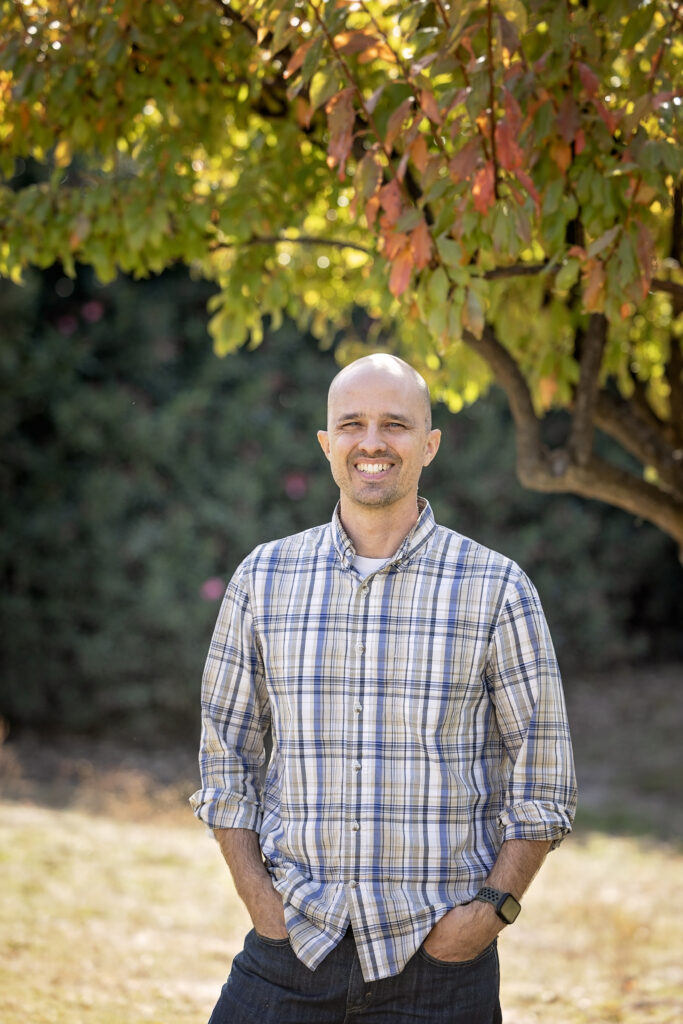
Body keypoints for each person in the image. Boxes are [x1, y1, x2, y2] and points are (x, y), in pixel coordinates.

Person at [190, 353, 577, 1024]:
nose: (372, 442)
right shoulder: (263, 579)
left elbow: (543, 780)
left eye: (394, 424)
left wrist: (487, 914)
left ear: (428, 444)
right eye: (352, 424)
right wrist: (260, 901)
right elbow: (226, 757)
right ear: (327, 444)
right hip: (291, 951)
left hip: (438, 966)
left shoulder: (495, 588)